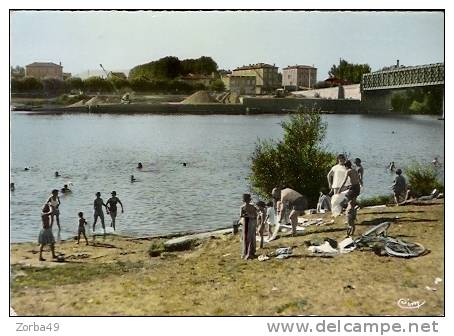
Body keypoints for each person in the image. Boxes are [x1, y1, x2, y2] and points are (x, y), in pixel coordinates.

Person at [339, 160, 362, 236]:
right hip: (357, 187)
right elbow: (358, 178)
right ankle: (353, 213)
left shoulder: (348, 171)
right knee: (352, 202)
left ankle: (349, 215)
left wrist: (340, 188)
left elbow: (344, 180)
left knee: (346, 200)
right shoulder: (354, 170)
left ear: (346, 166)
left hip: (353, 188)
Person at [239, 193, 258, 260]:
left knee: (246, 237)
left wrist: (247, 215)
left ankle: (246, 253)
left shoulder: (242, 207)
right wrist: (250, 215)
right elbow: (255, 215)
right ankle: (251, 252)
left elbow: (241, 216)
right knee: (251, 237)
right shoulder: (253, 207)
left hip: (246, 222)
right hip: (251, 222)